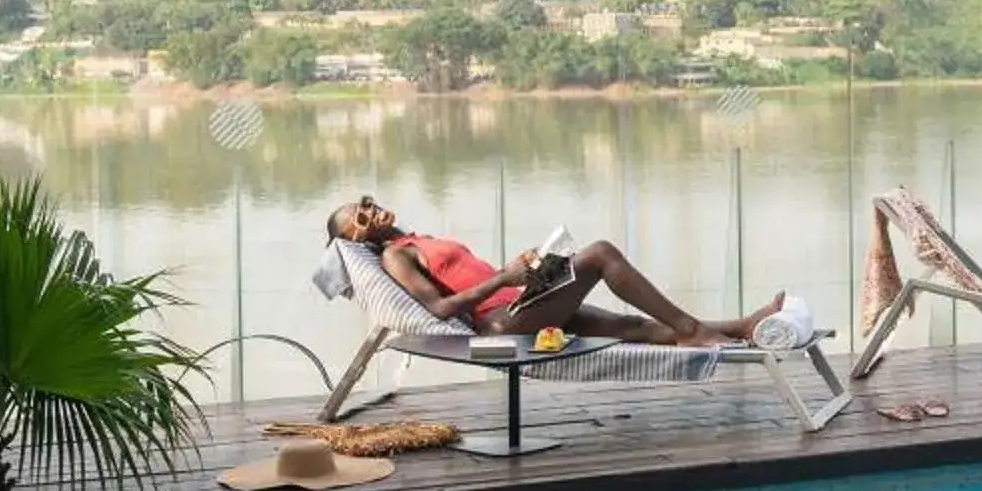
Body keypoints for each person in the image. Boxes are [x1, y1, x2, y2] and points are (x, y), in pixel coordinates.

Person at [325, 194, 782, 346]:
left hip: (525, 301)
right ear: (355, 239)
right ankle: (693, 330)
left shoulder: (416, 239)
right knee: (600, 253)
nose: (372, 212)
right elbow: (441, 308)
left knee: (628, 325)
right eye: (361, 219)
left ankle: (740, 328)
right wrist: (506, 277)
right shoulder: (394, 257)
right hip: (503, 323)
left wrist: (527, 274)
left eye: (367, 203)